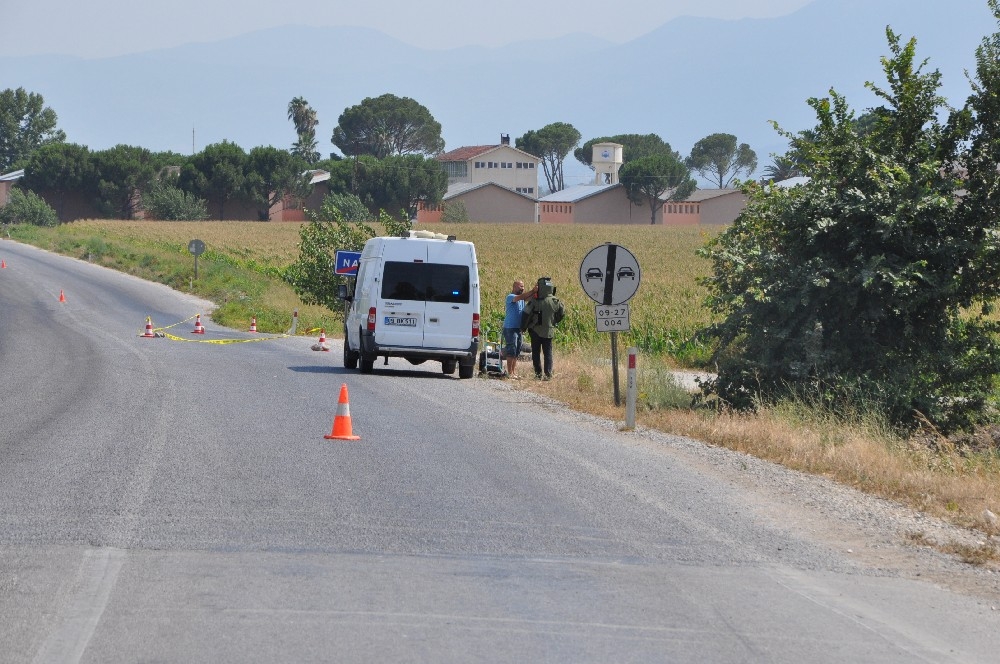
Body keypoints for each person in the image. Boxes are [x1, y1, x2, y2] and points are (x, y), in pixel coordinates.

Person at [520, 276, 565, 380]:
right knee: (548, 353)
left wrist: (523, 327)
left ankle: (538, 374)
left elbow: (526, 314)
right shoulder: (555, 301)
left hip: (535, 330)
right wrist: (554, 321)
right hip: (549, 330)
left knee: (536, 353)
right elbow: (562, 313)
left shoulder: (535, 301)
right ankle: (548, 374)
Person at [502, 280, 532, 378]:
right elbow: (522, 297)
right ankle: (509, 372)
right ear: (514, 287)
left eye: (523, 286)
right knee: (511, 350)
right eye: (520, 286)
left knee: (517, 351)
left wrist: (537, 292)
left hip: (518, 329)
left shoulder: (522, 299)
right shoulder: (510, 297)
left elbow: (529, 298)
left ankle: (513, 372)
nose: (522, 288)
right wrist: (533, 290)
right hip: (510, 328)